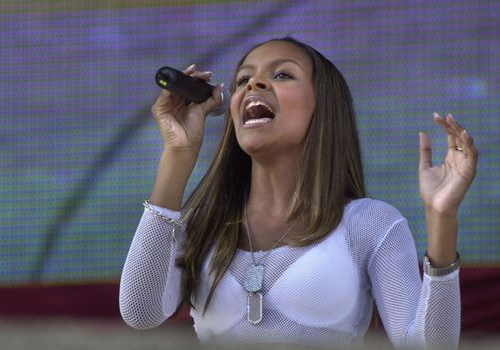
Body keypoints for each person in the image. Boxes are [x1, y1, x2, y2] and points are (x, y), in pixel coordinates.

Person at [119, 37, 478, 348]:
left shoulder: (370, 222)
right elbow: (140, 312)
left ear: (322, 105)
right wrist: (177, 154)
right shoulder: (203, 222)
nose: (254, 84)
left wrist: (442, 217)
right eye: (244, 79)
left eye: (282, 74)